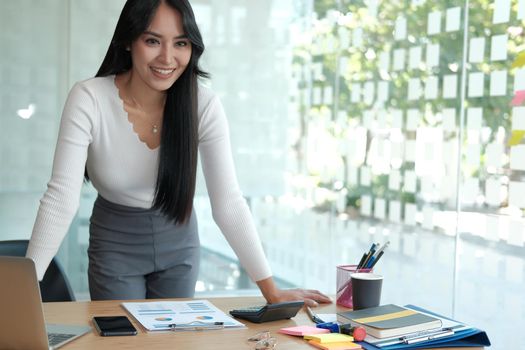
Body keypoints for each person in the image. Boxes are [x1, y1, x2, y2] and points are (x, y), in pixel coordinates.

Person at [26, 0, 331, 306]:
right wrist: (21, 291)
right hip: (114, 243)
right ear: (128, 41)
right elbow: (61, 197)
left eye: (181, 43)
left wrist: (271, 291)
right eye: (152, 41)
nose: (167, 58)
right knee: (123, 340)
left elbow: (228, 202)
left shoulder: (203, 104)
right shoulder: (89, 98)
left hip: (179, 242)